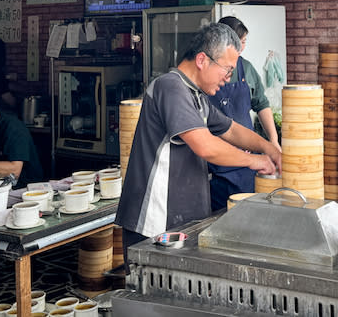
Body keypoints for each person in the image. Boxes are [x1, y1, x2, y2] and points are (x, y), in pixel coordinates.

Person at [116, 23, 281, 262]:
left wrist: (270, 148)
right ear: (202, 60)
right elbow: (205, 146)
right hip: (154, 225)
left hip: (180, 223)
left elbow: (232, 130)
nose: (227, 79)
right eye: (226, 70)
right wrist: (255, 160)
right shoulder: (170, 87)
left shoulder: (197, 97)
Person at [208, 16, 281, 211]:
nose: (241, 47)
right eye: (238, 42)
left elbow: (261, 104)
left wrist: (273, 141)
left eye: (244, 42)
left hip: (249, 162)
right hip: (216, 164)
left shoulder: (246, 69)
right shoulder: (207, 75)